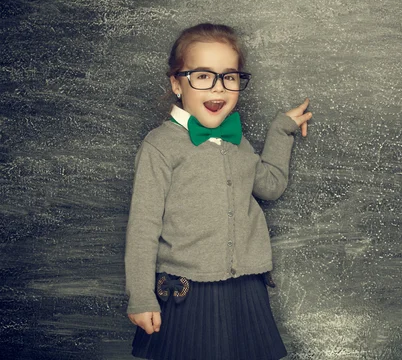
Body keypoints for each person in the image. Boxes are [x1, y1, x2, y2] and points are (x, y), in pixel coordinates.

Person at [124, 23, 312, 360]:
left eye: (229, 77)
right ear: (176, 83)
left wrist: (282, 131)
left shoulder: (237, 141)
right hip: (188, 292)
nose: (218, 88)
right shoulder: (160, 146)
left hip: (245, 287)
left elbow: (269, 185)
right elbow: (142, 228)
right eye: (202, 76)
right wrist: (140, 296)